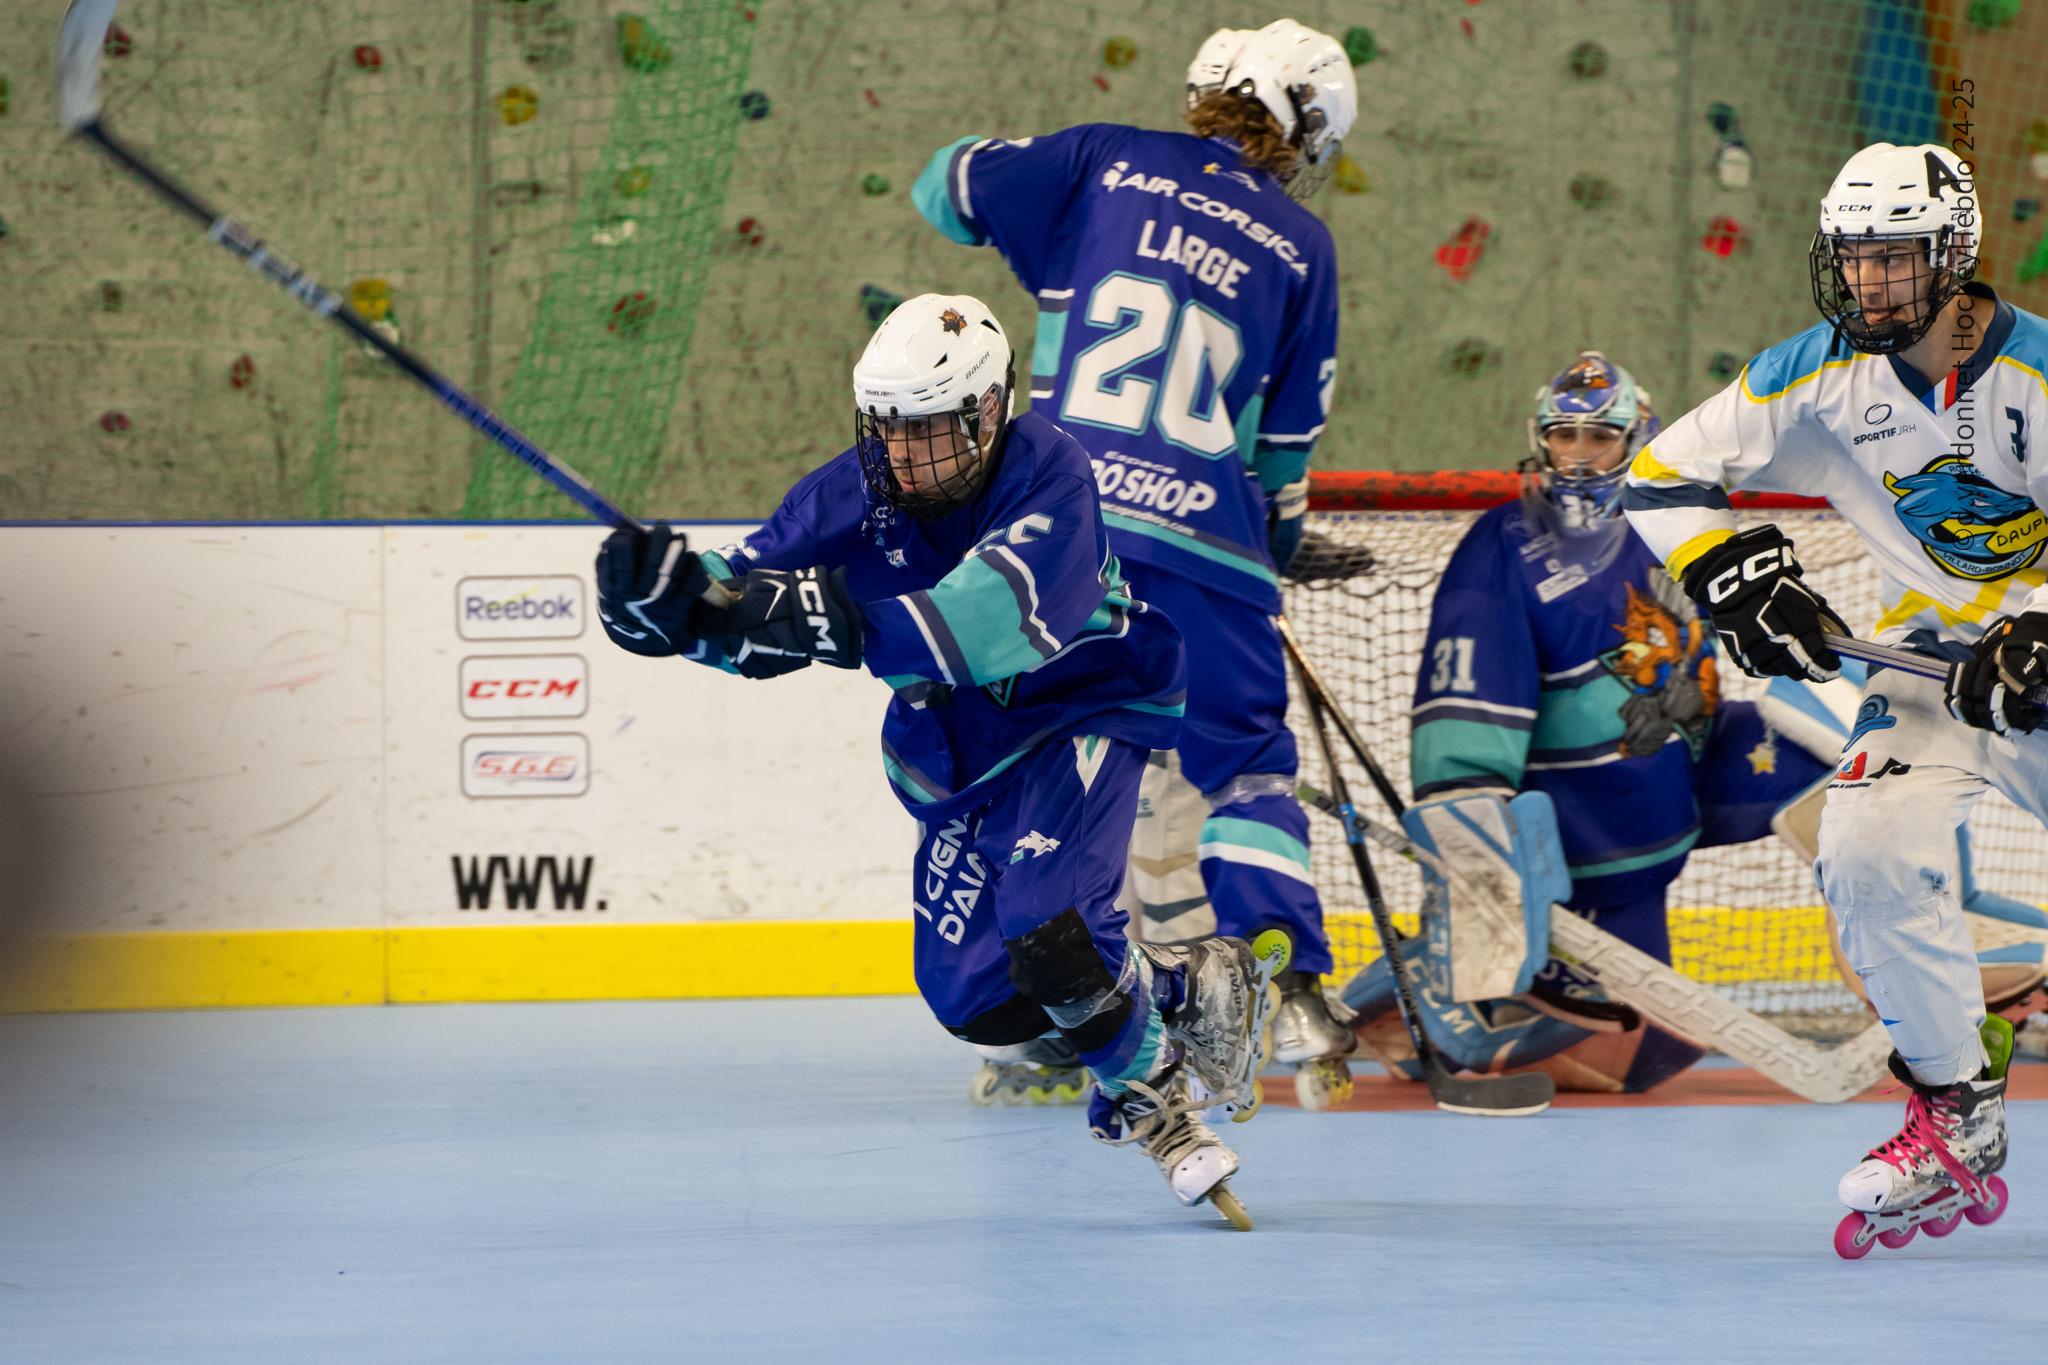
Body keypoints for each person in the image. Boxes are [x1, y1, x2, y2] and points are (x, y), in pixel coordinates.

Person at [593, 292, 1287, 1227]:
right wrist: (666, 612)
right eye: (887, 429)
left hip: (1080, 709)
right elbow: (746, 613)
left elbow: (987, 621)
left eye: (930, 430)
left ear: (991, 409)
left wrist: (822, 617)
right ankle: (1185, 983)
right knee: (977, 1002)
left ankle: (1158, 1105)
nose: (905, 455)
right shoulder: (847, 491)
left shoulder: (1053, 473)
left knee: (1051, 932)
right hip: (963, 755)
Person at [910, 19, 1360, 1107]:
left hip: (1060, 537)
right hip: (1208, 548)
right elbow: (1280, 463)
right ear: (1304, 134)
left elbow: (943, 188)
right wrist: (1278, 554)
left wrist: (1055, 223)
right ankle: (1284, 983)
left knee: (1035, 763)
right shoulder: (1301, 247)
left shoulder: (1099, 159)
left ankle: (1033, 1021)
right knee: (1245, 769)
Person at [1623, 141, 2035, 1252]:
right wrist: (1729, 570)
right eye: (1851, 258)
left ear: (1951, 260)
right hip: (1928, 669)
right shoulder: (1809, 372)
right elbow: (1656, 476)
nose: (1865, 283)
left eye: (1893, 260)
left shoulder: (2034, 376)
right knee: (1861, 848)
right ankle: (1955, 1109)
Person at [1338, 353, 1835, 1092]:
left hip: (1670, 801)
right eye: (1562, 435)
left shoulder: (1681, 524)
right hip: (1577, 854)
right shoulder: (1505, 545)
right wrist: (1473, 880)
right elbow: (1463, 740)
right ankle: (1417, 981)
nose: (1577, 454)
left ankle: (1934, 959)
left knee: (1851, 750)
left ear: (1639, 434)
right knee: (1644, 1056)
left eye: (1597, 436)